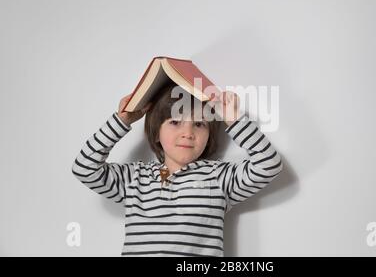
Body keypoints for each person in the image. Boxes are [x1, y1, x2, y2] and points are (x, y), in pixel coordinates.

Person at [72, 82, 283, 257]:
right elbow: (84, 167)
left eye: (199, 124)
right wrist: (122, 121)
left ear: (209, 135)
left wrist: (234, 120)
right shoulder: (134, 179)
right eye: (175, 122)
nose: (188, 133)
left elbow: (269, 164)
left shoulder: (218, 178)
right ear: (156, 133)